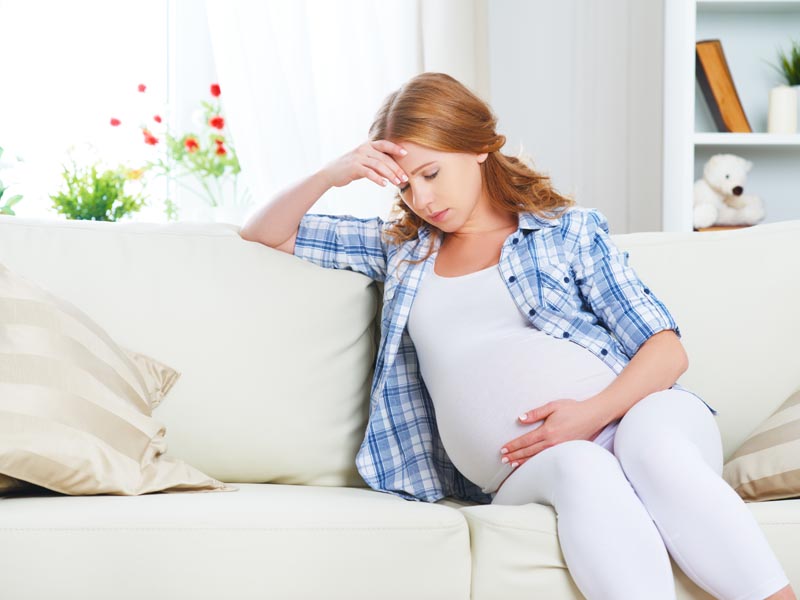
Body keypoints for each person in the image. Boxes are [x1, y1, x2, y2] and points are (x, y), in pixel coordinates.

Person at [239, 72, 795, 600]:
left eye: (431, 174)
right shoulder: (401, 250)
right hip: (530, 465)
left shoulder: (566, 232)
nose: (423, 199)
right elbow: (265, 232)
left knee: (649, 448)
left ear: (478, 146)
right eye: (406, 186)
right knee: (583, 467)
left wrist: (592, 413)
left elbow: (666, 349)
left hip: (643, 412)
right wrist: (332, 174)